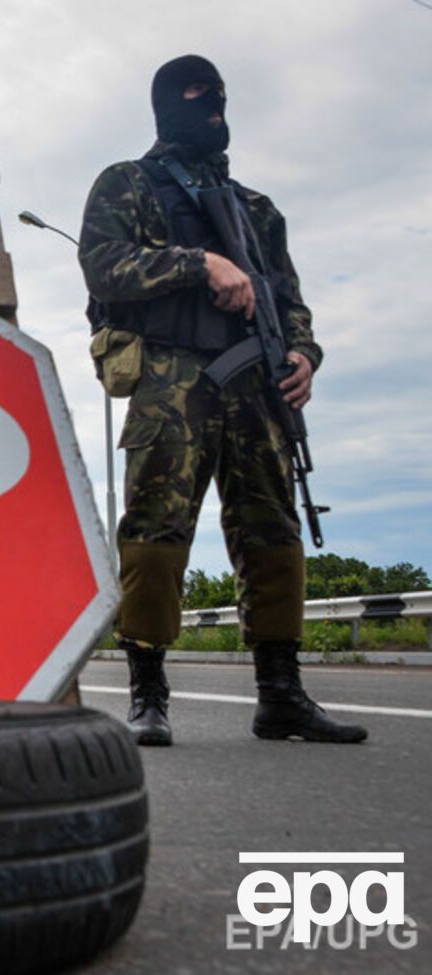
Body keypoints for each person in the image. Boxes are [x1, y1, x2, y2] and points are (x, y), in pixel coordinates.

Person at [77, 54, 366, 746]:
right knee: (157, 526)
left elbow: (289, 299)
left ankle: (281, 694)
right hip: (171, 376)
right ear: (167, 105)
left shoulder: (256, 209)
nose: (214, 108)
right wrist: (198, 262)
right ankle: (148, 692)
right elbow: (103, 266)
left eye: (222, 96)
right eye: (198, 94)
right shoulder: (128, 183)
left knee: (273, 528)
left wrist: (305, 354)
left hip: (258, 383)